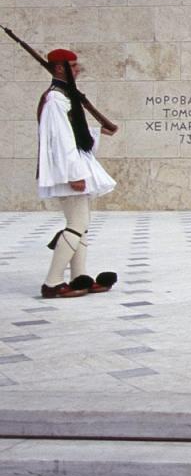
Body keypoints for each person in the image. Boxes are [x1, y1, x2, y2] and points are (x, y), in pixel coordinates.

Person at [37, 48, 117, 298]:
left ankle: (79, 277)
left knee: (81, 225)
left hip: (75, 166)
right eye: (72, 66)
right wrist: (74, 174)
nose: (77, 69)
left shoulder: (64, 96)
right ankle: (52, 283)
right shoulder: (55, 99)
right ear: (59, 69)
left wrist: (95, 132)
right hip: (68, 170)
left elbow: (72, 132)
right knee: (77, 224)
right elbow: (59, 140)